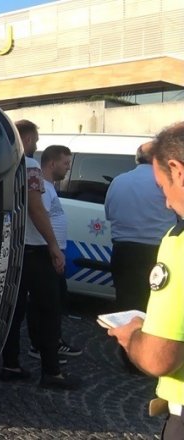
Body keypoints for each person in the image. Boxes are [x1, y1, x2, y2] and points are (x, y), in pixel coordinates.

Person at [109, 121, 184, 439]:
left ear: (177, 171)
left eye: (162, 187)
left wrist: (133, 336)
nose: (167, 202)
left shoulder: (179, 243)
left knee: (131, 307)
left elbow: (159, 357)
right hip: (146, 249)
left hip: (125, 249)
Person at [0, 120, 79, 390]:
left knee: (13, 311)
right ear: (28, 138)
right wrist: (54, 247)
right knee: (48, 311)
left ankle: (10, 364)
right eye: (35, 139)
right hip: (35, 251)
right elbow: (36, 208)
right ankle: (52, 372)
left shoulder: (0, 163)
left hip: (11, 250)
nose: (37, 144)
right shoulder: (30, 166)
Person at [26, 145, 82, 362]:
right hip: (46, 252)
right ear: (52, 163)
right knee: (48, 304)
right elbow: (39, 216)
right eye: (66, 163)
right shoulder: (45, 188)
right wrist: (52, 248)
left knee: (52, 301)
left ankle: (46, 343)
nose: (68, 168)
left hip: (51, 250)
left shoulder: (48, 187)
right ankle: (45, 346)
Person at [106, 141, 177, 312]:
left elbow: (109, 213)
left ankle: (126, 337)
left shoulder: (118, 180)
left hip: (123, 251)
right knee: (156, 306)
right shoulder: (165, 182)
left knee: (125, 304)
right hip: (157, 252)